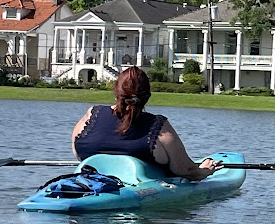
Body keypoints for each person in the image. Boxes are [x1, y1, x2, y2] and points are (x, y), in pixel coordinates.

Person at [71, 66, 221, 181]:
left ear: (116, 91)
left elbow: (78, 155)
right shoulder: (159, 126)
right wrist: (204, 171)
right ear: (147, 96)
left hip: (87, 184)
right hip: (137, 193)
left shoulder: (92, 113)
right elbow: (185, 170)